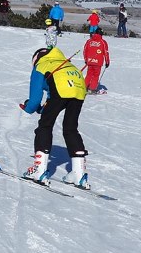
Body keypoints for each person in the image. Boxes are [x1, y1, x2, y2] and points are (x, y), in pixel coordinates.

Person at [20, 47, 90, 189]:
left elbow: (34, 101)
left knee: (45, 126)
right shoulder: (64, 63)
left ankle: (39, 170)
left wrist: (28, 107)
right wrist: (43, 109)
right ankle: (79, 173)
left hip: (61, 90)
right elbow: (52, 97)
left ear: (36, 59)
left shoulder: (41, 65)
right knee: (70, 128)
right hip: (79, 89)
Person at [83, 28, 110, 94]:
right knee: (95, 76)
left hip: (90, 61)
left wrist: (86, 59)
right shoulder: (103, 42)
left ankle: (84, 87)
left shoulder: (89, 41)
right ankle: (92, 89)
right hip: (98, 62)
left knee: (89, 74)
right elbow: (106, 52)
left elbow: (85, 51)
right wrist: (107, 62)